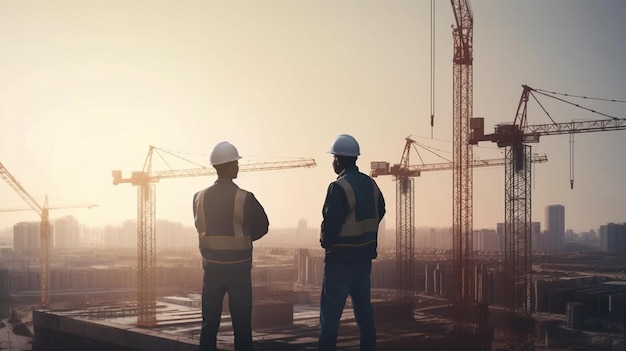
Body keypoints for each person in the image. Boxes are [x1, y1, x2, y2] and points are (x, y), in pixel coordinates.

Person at [193, 141, 269, 351]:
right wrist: (243, 239)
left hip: (212, 270)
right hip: (239, 271)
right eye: (235, 163)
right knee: (242, 328)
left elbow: (200, 226)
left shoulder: (199, 198)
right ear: (228, 167)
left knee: (209, 326)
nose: (238, 167)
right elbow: (263, 226)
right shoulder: (245, 197)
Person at [318, 134, 386, 351]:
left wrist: (326, 241)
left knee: (330, 319)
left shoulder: (339, 187)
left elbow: (331, 225)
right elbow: (380, 210)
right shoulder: (371, 185)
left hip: (340, 262)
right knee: (365, 315)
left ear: (338, 159)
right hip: (363, 261)